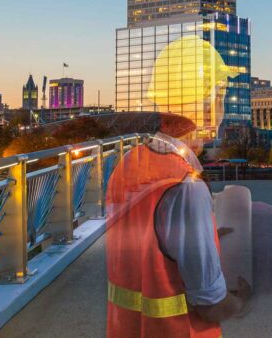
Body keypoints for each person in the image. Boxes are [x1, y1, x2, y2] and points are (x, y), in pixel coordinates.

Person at [106, 36, 252, 337]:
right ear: (207, 106)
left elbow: (150, 244)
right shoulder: (186, 184)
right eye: (220, 95)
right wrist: (241, 300)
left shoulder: (127, 164)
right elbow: (209, 301)